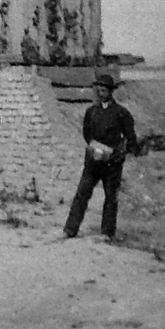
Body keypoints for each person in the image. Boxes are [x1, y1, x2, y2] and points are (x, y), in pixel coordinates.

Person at [63, 71, 140, 241]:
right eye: (98, 90)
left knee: (111, 197)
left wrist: (117, 153)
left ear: (111, 91)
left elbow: (130, 138)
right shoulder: (91, 111)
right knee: (82, 193)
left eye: (104, 90)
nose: (100, 93)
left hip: (112, 163)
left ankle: (107, 233)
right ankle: (70, 229)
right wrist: (94, 148)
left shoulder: (121, 113)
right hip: (93, 161)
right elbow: (87, 133)